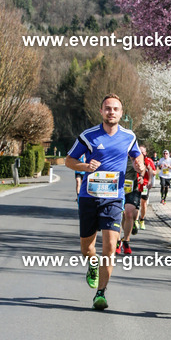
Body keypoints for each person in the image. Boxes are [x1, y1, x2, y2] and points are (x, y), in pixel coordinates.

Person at [65, 95, 144, 310]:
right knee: (87, 248)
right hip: (89, 197)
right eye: (108, 108)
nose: (111, 112)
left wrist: (140, 165)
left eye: (115, 109)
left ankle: (101, 293)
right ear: (101, 111)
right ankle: (92, 264)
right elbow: (69, 160)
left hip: (114, 198)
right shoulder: (88, 136)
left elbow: (137, 157)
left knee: (109, 247)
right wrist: (85, 167)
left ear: (121, 112)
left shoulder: (129, 136)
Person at [116, 160, 152, 255]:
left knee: (128, 213)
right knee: (119, 214)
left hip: (133, 187)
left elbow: (144, 167)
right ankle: (118, 241)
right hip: (117, 186)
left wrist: (142, 176)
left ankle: (126, 241)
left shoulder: (136, 154)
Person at [137, 145, 157, 230]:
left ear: (145, 153)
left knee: (143, 203)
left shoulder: (148, 160)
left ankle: (142, 219)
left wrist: (149, 171)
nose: (141, 153)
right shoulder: (135, 160)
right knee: (135, 202)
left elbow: (155, 172)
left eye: (143, 152)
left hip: (145, 184)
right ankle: (135, 220)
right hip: (136, 183)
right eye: (140, 152)